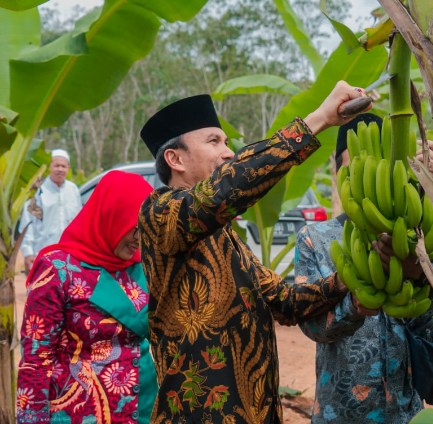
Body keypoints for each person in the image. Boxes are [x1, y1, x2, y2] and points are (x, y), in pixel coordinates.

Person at [138, 83, 369, 424]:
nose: (228, 152)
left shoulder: (227, 238)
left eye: (227, 143)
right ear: (175, 159)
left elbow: (287, 301)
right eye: (213, 141)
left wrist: (351, 276)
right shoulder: (160, 213)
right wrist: (318, 119)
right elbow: (226, 190)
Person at [294, 115, 433, 424]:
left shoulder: (424, 237)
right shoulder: (316, 239)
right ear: (338, 174)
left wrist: (417, 272)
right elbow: (311, 326)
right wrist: (353, 307)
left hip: (406, 413)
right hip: (340, 413)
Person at [16, 171, 157, 424]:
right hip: (80, 413)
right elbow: (36, 360)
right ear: (113, 216)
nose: (140, 240)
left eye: (147, 230)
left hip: (143, 408)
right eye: (135, 229)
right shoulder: (58, 268)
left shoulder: (141, 266)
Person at [20, 148, 82, 274]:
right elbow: (28, 223)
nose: (60, 169)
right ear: (49, 167)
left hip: (70, 255)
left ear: (68, 169)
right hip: (43, 254)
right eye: (57, 165)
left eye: (63, 166)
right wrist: (28, 252)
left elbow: (80, 221)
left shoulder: (73, 190)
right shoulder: (38, 190)